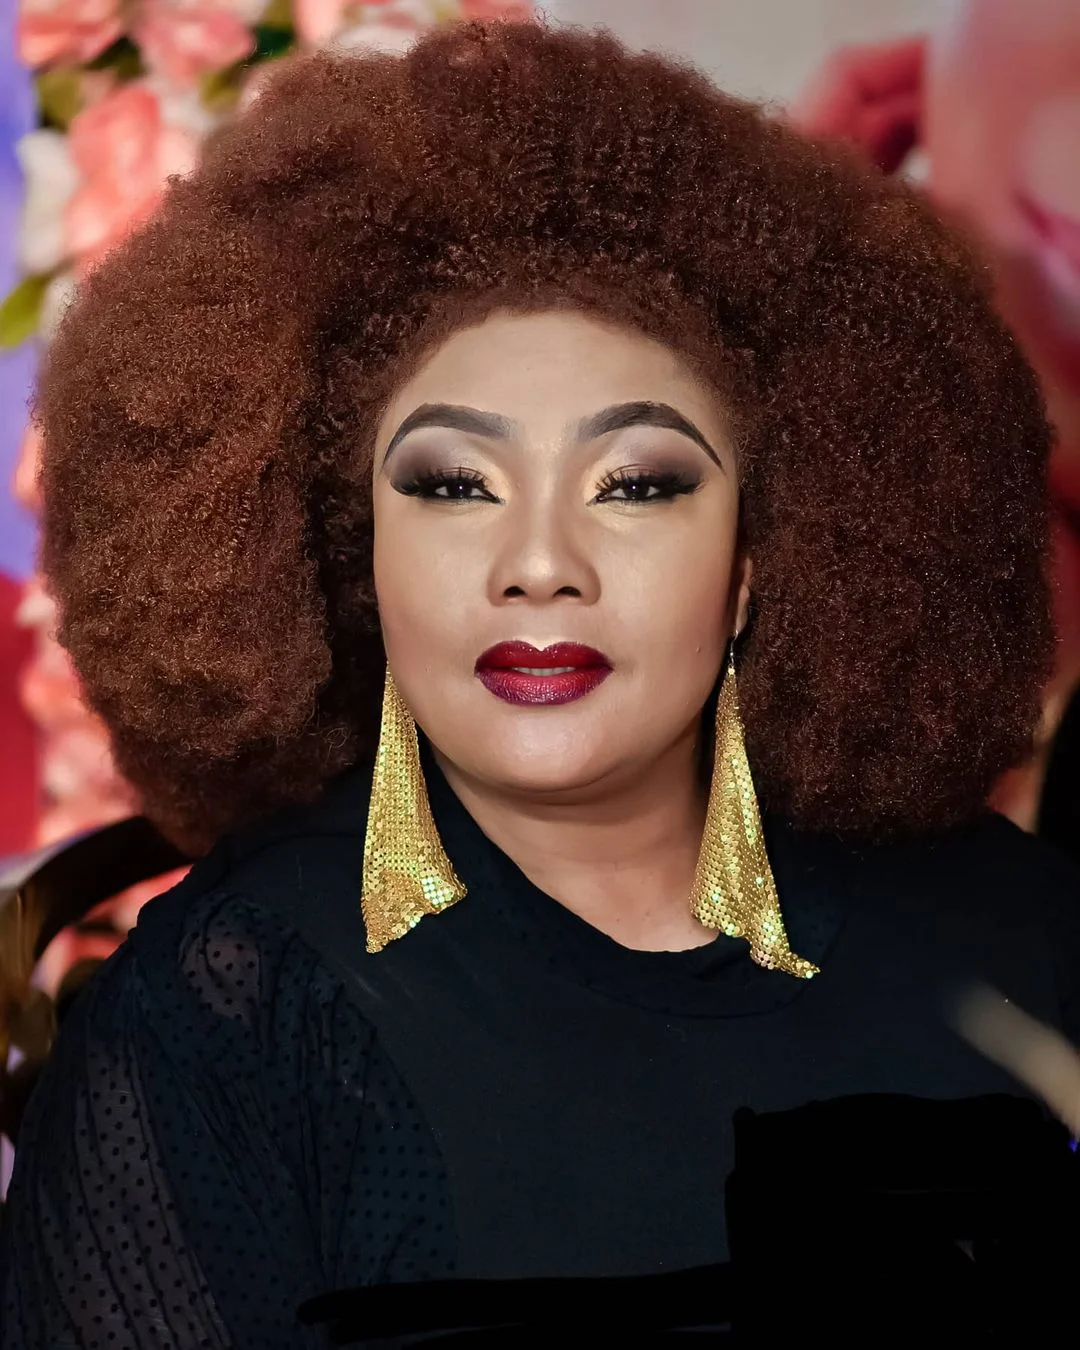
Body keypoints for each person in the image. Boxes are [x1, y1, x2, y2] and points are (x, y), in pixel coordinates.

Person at [3, 18, 1079, 1346]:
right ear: (353, 555)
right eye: (455, 485)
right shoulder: (229, 1017)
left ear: (761, 560)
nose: (539, 565)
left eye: (638, 484)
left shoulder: (1018, 937)